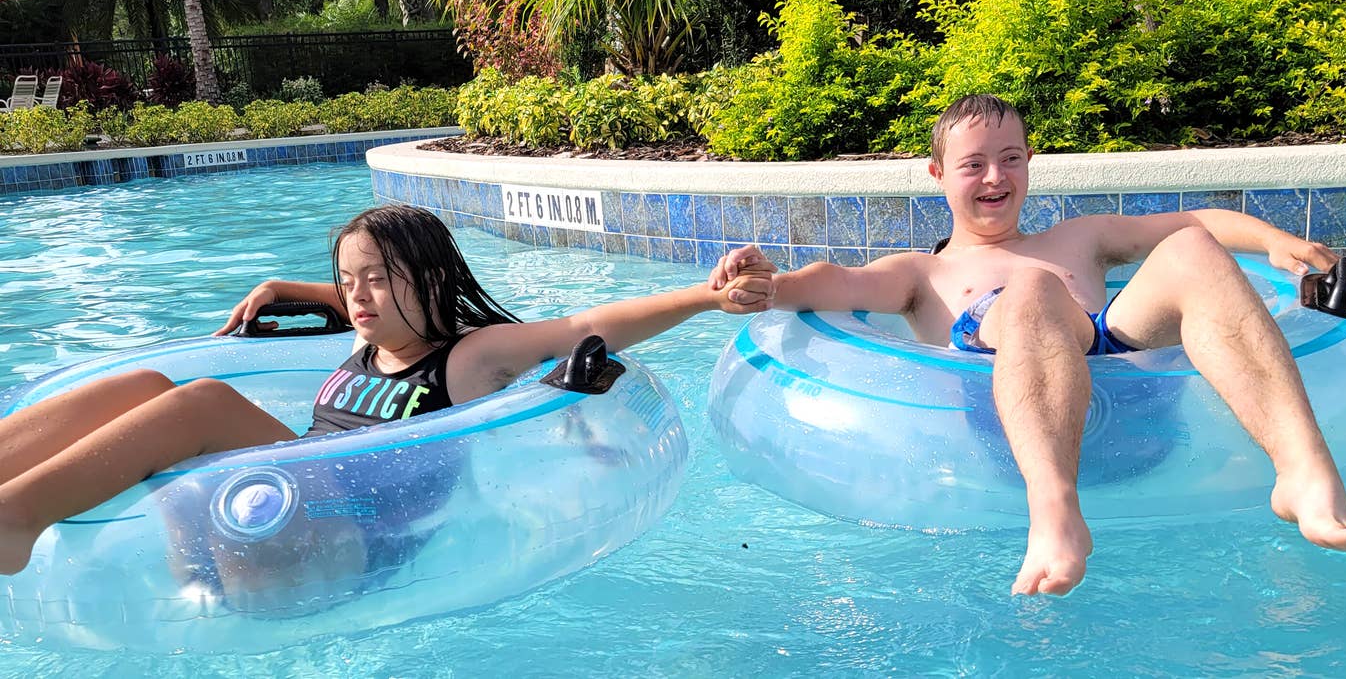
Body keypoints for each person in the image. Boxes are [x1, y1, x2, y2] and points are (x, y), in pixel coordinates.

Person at [712, 94, 1346, 598]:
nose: (994, 176)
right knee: (1029, 290)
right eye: (972, 164)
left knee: (1193, 251)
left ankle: (1301, 472)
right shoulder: (923, 274)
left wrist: (1268, 240)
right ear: (938, 173)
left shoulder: (1080, 237)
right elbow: (839, 282)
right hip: (1010, 422)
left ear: (1030, 162)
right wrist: (771, 284)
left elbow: (1194, 221)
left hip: (1127, 384)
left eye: (1009, 158)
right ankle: (1056, 510)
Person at [0, 204, 776, 577]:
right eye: (348, 282)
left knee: (201, 402)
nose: (358, 296)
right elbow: (363, 301)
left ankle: (16, 520)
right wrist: (291, 287)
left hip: (356, 535)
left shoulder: (466, 359)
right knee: (139, 382)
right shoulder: (369, 334)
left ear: (431, 280)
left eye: (377, 278)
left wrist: (707, 298)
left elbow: (583, 320)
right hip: (289, 499)